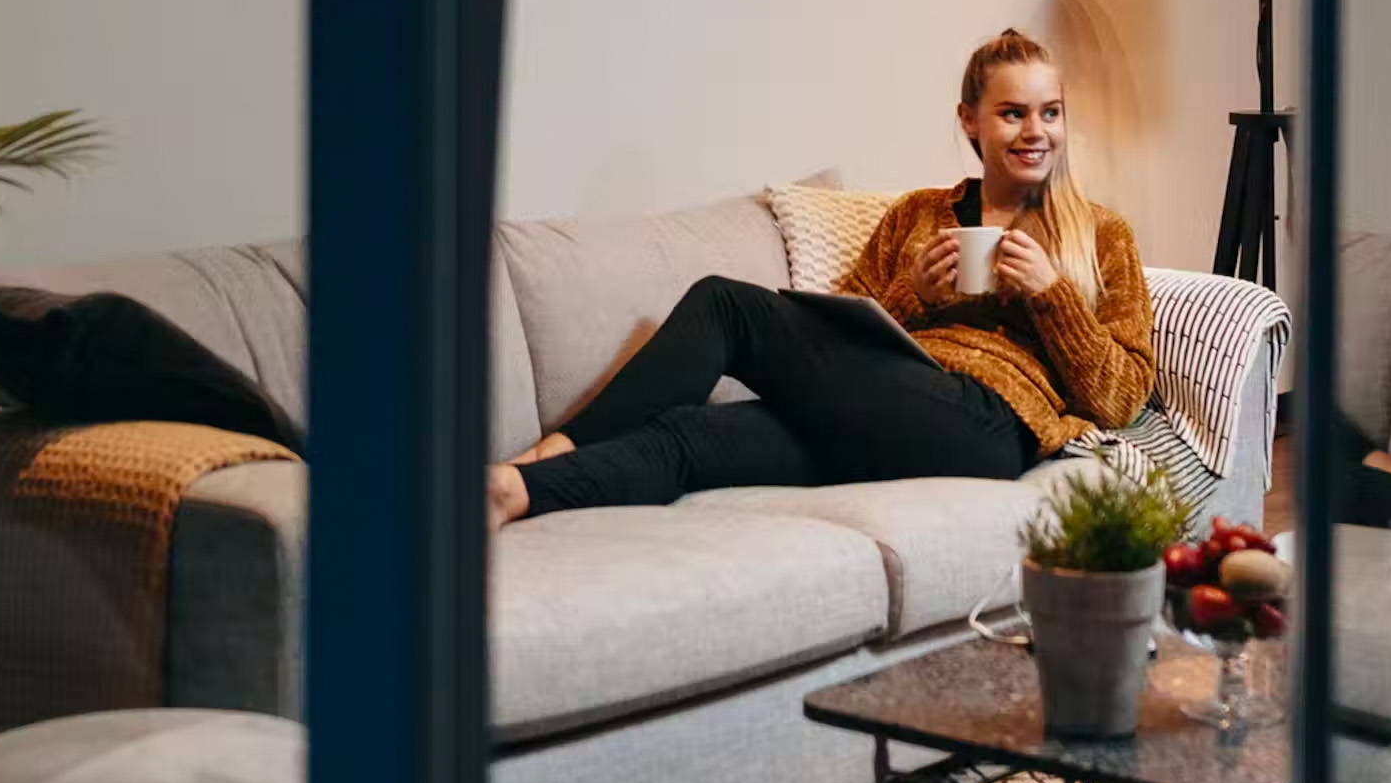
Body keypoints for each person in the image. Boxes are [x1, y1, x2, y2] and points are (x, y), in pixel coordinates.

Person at [487, 29, 1157, 530]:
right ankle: (516, 491)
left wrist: (1053, 294)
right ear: (969, 121)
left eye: (1050, 112)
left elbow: (1122, 395)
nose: (1035, 131)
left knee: (728, 305)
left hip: (987, 426)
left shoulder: (1100, 233)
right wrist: (911, 298)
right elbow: (840, 326)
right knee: (689, 436)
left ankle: (556, 444)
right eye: (1013, 113)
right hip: (884, 408)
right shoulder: (920, 214)